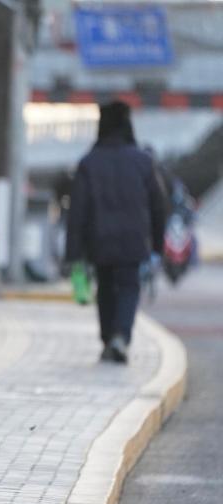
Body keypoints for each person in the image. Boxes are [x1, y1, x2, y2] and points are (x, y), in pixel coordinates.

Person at [66, 101, 165, 363]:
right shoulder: (143, 162)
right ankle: (121, 336)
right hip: (133, 241)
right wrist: (157, 247)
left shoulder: (89, 163)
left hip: (99, 241)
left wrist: (73, 252)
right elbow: (158, 206)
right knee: (129, 287)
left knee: (106, 289)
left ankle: (109, 338)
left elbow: (77, 211)